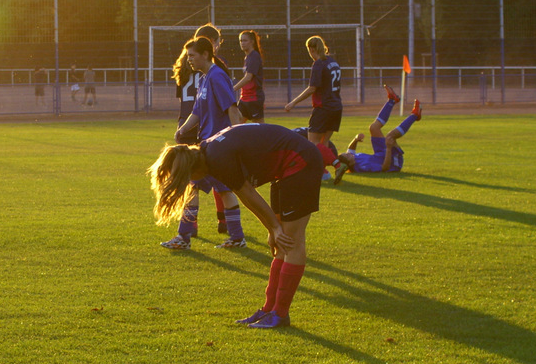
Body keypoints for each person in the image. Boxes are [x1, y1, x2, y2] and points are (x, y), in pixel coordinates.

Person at [149, 123, 323, 328]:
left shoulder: (217, 159)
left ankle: (280, 314)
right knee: (282, 241)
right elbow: (247, 195)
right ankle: (270, 309)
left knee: (292, 241)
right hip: (286, 168)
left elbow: (247, 194)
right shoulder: (209, 152)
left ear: (192, 170)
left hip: (301, 161)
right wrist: (272, 229)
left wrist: (275, 228)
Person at [161, 36, 246, 250]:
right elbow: (197, 111)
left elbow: (232, 108)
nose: (189, 59)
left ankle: (184, 237)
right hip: (208, 144)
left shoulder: (217, 76)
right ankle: (236, 238)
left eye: (192, 55)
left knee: (197, 186)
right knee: (218, 189)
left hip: (219, 146)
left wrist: (237, 138)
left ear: (205, 54)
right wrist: (182, 129)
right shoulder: (205, 77)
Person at [172, 23, 233, 234]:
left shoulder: (182, 64)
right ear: (211, 43)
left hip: (188, 122)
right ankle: (224, 221)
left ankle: (191, 226)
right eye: (217, 42)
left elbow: (182, 97)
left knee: (192, 180)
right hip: (206, 125)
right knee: (219, 179)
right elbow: (226, 100)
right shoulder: (214, 66)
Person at [333, 85, 422, 184]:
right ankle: (415, 115)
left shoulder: (352, 159)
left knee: (373, 128)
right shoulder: (363, 167)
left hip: (380, 154)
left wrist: (356, 139)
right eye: (347, 155)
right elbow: (384, 168)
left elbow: (350, 149)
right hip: (393, 162)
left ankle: (392, 100)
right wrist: (389, 148)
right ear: (350, 162)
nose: (348, 153)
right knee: (390, 136)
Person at [284, 35, 343, 176]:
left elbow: (312, 88)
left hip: (323, 108)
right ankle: (322, 172)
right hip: (336, 107)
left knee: (313, 143)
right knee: (324, 142)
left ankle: (337, 164)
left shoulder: (318, 64)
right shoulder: (332, 62)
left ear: (311, 49)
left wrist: (293, 102)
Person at [233, 30, 265, 123]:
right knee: (236, 124)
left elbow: (248, 77)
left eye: (245, 40)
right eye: (241, 41)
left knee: (259, 127)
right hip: (244, 98)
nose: (242, 43)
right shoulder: (247, 57)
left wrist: (233, 88)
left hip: (253, 98)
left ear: (252, 42)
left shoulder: (254, 56)